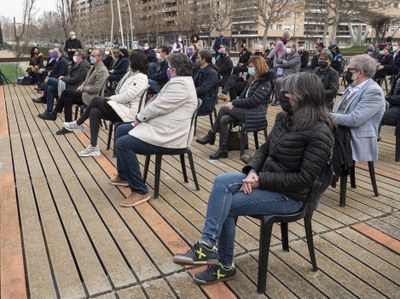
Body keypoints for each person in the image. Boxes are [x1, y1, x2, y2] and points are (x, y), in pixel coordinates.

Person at [173, 72, 335, 285]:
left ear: (304, 95)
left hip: (290, 196)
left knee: (228, 205)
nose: (283, 96)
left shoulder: (320, 132)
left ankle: (224, 266)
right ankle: (208, 245)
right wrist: (252, 171)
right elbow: (264, 149)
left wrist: (260, 181)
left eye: (288, 92)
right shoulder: (285, 118)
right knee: (222, 181)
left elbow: (303, 180)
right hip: (267, 179)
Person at [110, 53, 198, 207]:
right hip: (162, 127)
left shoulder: (181, 85)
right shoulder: (179, 82)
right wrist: (142, 117)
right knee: (121, 129)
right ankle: (124, 176)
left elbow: (159, 106)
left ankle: (140, 190)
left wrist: (140, 117)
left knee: (123, 144)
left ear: (175, 70)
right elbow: (157, 103)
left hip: (170, 136)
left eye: (169, 68)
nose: (168, 71)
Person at [63, 50, 149, 156]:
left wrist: (111, 98)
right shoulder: (132, 75)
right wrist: (112, 99)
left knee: (96, 100)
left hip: (129, 111)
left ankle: (78, 123)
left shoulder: (140, 78)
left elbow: (127, 97)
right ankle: (93, 147)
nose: (129, 64)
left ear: (135, 63)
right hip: (122, 107)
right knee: (94, 112)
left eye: (130, 62)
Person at [196, 56, 274, 159]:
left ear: (258, 67)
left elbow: (253, 101)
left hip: (256, 113)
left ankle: (212, 134)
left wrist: (234, 103)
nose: (249, 69)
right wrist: (234, 103)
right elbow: (242, 96)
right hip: (247, 111)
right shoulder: (252, 80)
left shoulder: (265, 82)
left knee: (224, 109)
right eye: (249, 66)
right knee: (224, 119)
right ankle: (222, 149)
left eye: (251, 67)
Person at [332, 54, 385, 163]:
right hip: (342, 133)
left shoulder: (373, 91)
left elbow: (354, 120)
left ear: (360, 72)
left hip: (355, 138)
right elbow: (338, 112)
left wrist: (326, 115)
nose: (347, 72)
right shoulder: (352, 87)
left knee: (318, 142)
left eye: (350, 69)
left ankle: (325, 177)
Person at [52, 49, 109, 126]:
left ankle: (54, 113)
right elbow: (86, 80)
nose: (90, 57)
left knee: (66, 92)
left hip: (92, 97)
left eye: (92, 56)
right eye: (90, 55)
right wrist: (82, 85)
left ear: (100, 57)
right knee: (67, 99)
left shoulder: (102, 70)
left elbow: (97, 88)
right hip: (84, 93)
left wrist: (83, 88)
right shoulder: (93, 67)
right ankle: (68, 125)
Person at [37, 49, 91, 120]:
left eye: (76, 55)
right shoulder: (78, 64)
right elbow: (69, 76)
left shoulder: (83, 67)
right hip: (68, 84)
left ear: (80, 56)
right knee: (50, 88)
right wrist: (64, 77)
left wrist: (63, 78)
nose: (74, 56)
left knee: (50, 80)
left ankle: (45, 99)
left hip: (74, 87)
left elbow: (74, 80)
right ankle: (49, 111)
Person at [195, 49, 219, 115]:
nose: (197, 59)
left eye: (198, 57)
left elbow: (204, 89)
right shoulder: (201, 69)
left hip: (205, 102)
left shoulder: (212, 73)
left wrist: (190, 91)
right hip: (198, 98)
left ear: (204, 59)